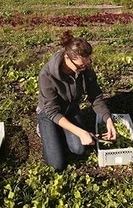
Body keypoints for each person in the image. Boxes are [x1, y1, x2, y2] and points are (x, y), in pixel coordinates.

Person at [36, 30, 117, 171]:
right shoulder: (47, 75)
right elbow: (52, 111)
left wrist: (108, 119)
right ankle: (45, 128)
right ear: (67, 58)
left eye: (87, 64)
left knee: (79, 149)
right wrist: (80, 132)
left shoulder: (85, 68)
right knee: (56, 165)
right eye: (80, 66)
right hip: (49, 114)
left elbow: (95, 96)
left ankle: (62, 129)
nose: (83, 68)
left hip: (71, 109)